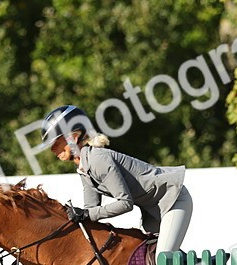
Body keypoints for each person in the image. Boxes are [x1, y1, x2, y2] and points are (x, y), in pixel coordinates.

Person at [40, 105, 193, 252]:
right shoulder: (83, 168)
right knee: (147, 260)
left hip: (173, 200)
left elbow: (125, 203)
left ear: (73, 137)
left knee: (162, 260)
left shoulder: (97, 159)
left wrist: (86, 214)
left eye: (56, 142)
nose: (52, 149)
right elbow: (91, 210)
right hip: (153, 210)